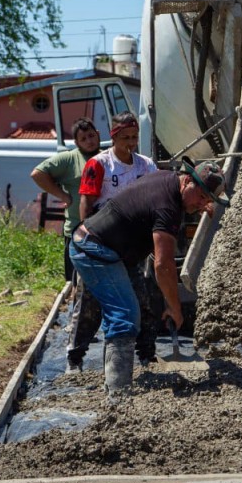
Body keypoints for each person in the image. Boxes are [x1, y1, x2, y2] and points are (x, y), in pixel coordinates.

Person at [69, 159, 230, 400]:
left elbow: (168, 209)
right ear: (187, 181)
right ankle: (118, 397)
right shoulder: (168, 206)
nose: (203, 204)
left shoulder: (168, 180)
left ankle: (115, 379)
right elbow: (163, 266)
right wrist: (175, 307)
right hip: (96, 250)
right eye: (202, 196)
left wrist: (197, 205)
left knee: (134, 310)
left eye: (208, 200)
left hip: (111, 250)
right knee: (124, 315)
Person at [77, 111, 160, 366]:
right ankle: (75, 355)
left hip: (131, 243)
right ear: (114, 137)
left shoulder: (145, 165)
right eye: (125, 137)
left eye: (135, 137)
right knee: (90, 303)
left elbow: (156, 196)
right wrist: (85, 238)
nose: (131, 143)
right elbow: (87, 202)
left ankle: (146, 354)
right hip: (102, 239)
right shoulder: (99, 164)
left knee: (141, 299)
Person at [30, 117, 102, 371]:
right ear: (76, 142)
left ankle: (97, 325)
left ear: (98, 134)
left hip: (105, 232)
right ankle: (77, 328)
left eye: (92, 136)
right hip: (77, 233)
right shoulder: (69, 159)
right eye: (83, 139)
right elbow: (38, 174)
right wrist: (62, 195)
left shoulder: (107, 157)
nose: (89, 141)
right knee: (77, 283)